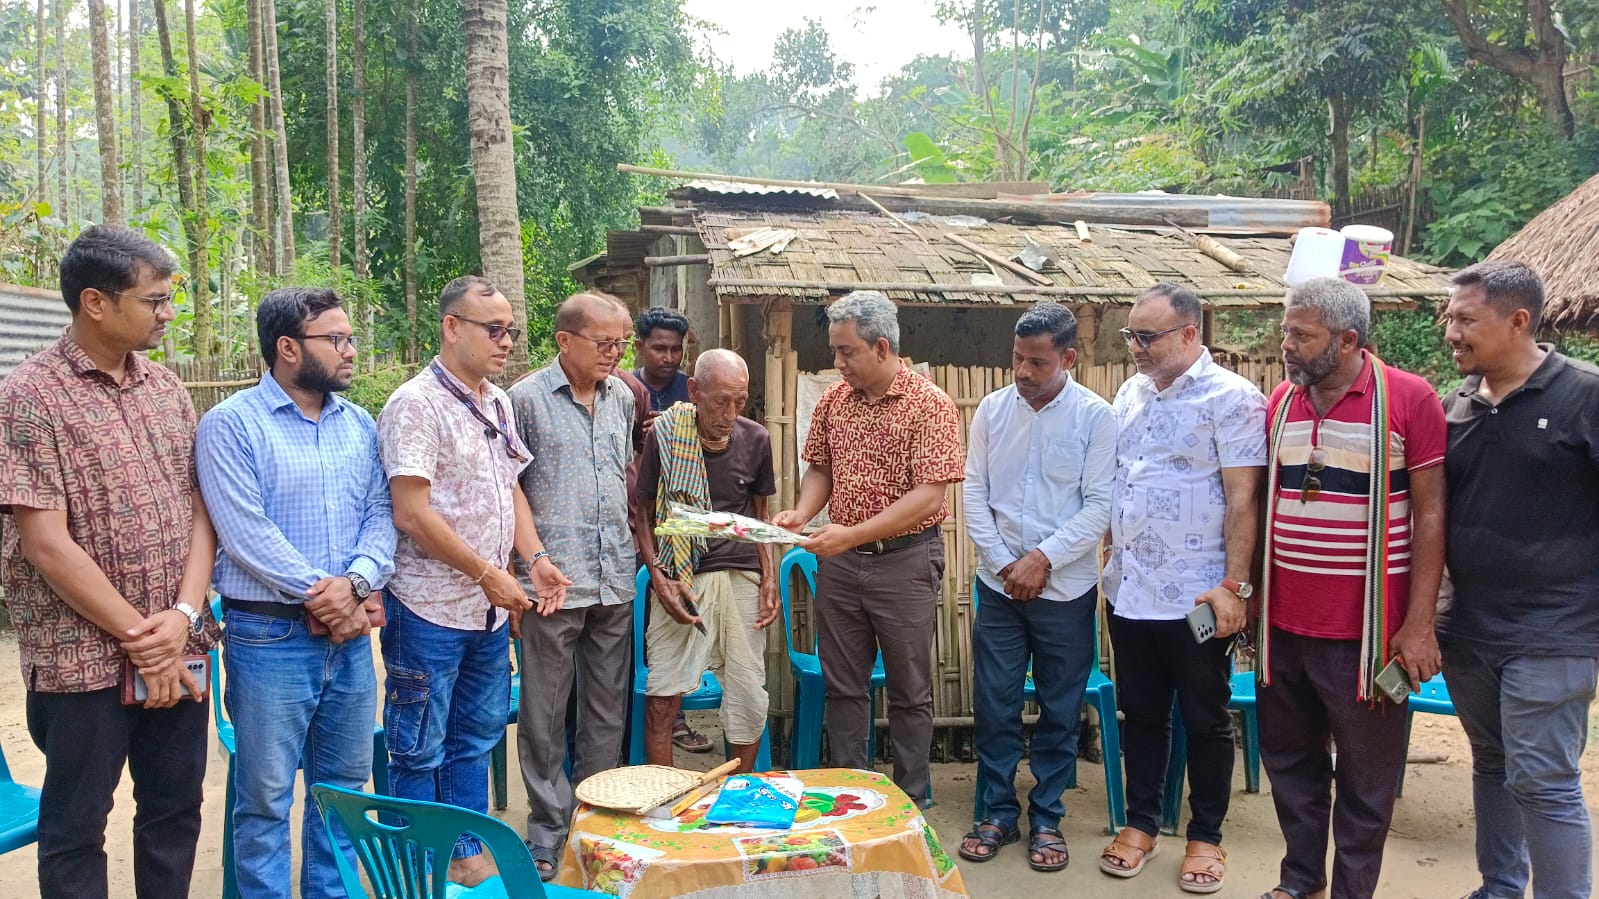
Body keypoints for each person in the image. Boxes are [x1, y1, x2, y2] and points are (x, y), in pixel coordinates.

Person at [0, 225, 217, 899]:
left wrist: (181, 617)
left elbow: (200, 510)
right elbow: (45, 542)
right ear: (95, 302)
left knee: (175, 810)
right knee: (75, 827)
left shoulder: (168, 390)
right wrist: (143, 639)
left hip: (180, 645)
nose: (168, 313)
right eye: (154, 300)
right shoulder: (29, 395)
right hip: (80, 664)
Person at [195, 287, 397, 898]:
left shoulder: (357, 423)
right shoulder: (230, 424)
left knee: (341, 792)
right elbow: (245, 532)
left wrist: (357, 583)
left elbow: (382, 512)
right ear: (287, 348)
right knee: (265, 799)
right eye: (336, 340)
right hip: (269, 636)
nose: (351, 351)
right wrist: (328, 596)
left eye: (351, 337)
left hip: (351, 637)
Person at [1257, 276, 1446, 899]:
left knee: (1367, 779)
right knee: (1290, 765)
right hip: (1284, 627)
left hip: (1365, 638)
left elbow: (1431, 516)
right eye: (1287, 330)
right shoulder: (1282, 400)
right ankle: (1300, 882)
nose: (1286, 344)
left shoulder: (1410, 399)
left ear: (1346, 339)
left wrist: (1417, 625)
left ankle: (1351, 892)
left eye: (1300, 334)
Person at [377, 275, 569, 887]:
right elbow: (411, 512)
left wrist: (533, 557)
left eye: (511, 329)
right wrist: (488, 572)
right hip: (429, 607)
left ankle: (461, 851)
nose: (506, 340)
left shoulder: (497, 401)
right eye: (494, 328)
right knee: (418, 746)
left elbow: (508, 488)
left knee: (473, 738)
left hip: (486, 612)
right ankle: (415, 862)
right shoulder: (416, 404)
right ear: (451, 327)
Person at [1096, 283, 1266, 893]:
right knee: (1140, 712)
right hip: (1130, 590)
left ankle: (1206, 837)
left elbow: (1245, 498)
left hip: (1200, 596)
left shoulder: (1234, 399)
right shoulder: (1129, 393)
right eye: (1131, 335)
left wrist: (1235, 587)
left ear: (1189, 335)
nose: (1136, 347)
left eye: (1148, 336)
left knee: (1205, 716)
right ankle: (1141, 825)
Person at [1437, 261, 1599, 899]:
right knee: (1492, 763)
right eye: (1449, 318)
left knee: (1543, 779)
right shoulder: (1456, 406)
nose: (1451, 332)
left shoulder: (1584, 396)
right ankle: (1500, 888)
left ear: (1518, 320)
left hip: (1557, 629)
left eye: (1465, 319)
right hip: (1471, 628)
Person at [772, 290, 964, 808]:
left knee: (909, 688)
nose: (837, 363)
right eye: (835, 351)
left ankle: (910, 800)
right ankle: (854, 795)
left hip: (905, 560)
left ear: (881, 348)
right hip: (840, 562)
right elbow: (820, 469)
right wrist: (804, 512)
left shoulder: (931, 405)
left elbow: (929, 496)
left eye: (846, 351)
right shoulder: (835, 401)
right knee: (844, 685)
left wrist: (850, 534)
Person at [959, 302, 1116, 873]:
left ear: (1068, 358)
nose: (1023, 372)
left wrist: (1043, 560)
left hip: (1065, 591)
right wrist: (1007, 565)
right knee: (994, 704)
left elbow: (1101, 504)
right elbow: (973, 493)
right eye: (1018, 359)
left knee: (1059, 707)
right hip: (999, 587)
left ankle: (1047, 816)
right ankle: (997, 813)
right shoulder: (992, 412)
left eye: (1037, 362)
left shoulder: (1096, 418)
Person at [508, 291, 637, 880]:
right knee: (544, 710)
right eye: (605, 342)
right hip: (552, 582)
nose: (616, 353)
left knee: (607, 710)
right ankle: (547, 828)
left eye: (621, 342)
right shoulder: (524, 401)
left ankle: (596, 820)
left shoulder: (623, 398)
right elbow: (508, 491)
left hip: (613, 575)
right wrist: (528, 564)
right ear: (565, 341)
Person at [634, 348, 779, 772]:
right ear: (694, 391)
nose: (731, 412)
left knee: (749, 692)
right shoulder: (666, 436)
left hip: (741, 574)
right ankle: (662, 802)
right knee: (663, 695)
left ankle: (740, 798)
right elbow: (643, 515)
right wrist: (659, 579)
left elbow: (760, 517)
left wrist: (769, 577)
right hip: (682, 576)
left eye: (740, 400)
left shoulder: (757, 440)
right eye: (720, 401)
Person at [634, 306, 691, 413]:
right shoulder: (626, 389)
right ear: (640, 347)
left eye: (676, 349)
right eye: (659, 349)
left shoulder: (693, 391)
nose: (669, 359)